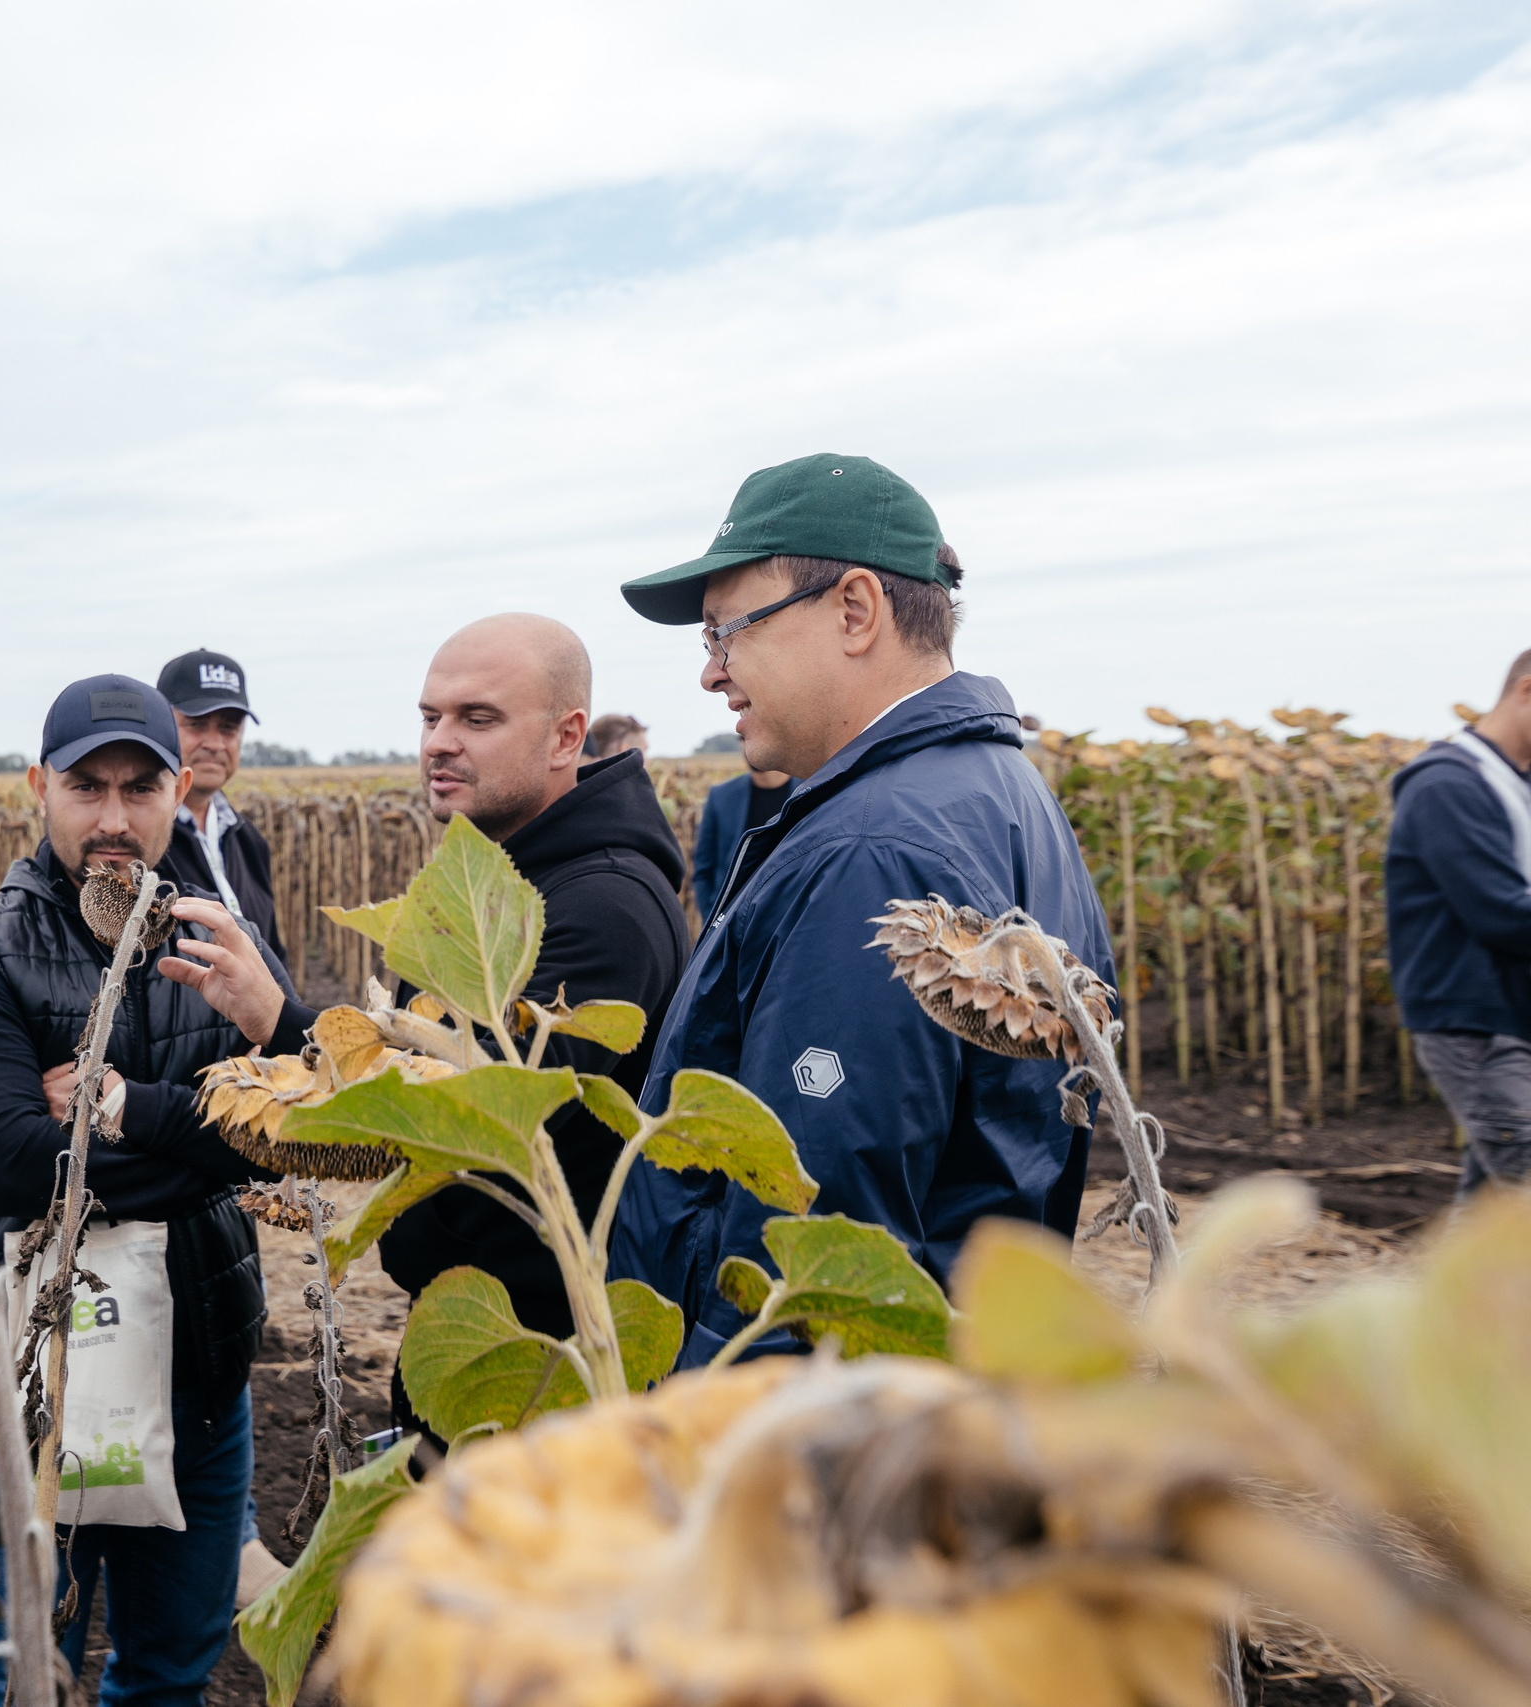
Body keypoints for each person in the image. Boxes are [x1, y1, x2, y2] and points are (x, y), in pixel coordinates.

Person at [609, 453, 1113, 1370]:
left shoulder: (874, 843)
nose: (712, 673)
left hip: (807, 1444)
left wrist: (733, 1446)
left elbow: (813, 1239)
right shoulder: (1000, 791)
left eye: (728, 631)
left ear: (854, 611)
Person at [0, 673, 318, 1703]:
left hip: (200, 1368)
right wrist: (209, 1133)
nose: (112, 818)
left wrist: (111, 1105)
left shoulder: (217, 941)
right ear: (37, 788)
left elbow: (288, 1133)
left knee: (170, 1675)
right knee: (13, 1671)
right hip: (40, 1374)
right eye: (85, 787)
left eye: (139, 789)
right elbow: (7, 1158)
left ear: (176, 788)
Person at [375, 615, 692, 1435]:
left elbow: (476, 1114)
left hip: (548, 1375)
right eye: (430, 716)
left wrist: (284, 1026)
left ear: (567, 737)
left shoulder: (599, 906)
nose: (440, 741)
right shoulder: (499, 877)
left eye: (477, 719)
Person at [1387, 650, 1531, 1196]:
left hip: (1509, 1017)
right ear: (1527, 690)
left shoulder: (1513, 783)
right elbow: (1501, 913)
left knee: (1490, 1216)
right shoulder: (1448, 787)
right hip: (1477, 1024)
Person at [154, 648, 287, 961]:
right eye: (196, 724)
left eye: (228, 728)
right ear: (161, 726)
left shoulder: (248, 839)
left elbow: (273, 952)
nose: (214, 743)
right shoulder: (135, 845)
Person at [689, 766, 795, 924]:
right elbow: (703, 869)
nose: (745, 742)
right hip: (734, 926)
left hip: (789, 920)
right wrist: (712, 923)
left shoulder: (811, 790)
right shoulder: (721, 796)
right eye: (741, 739)